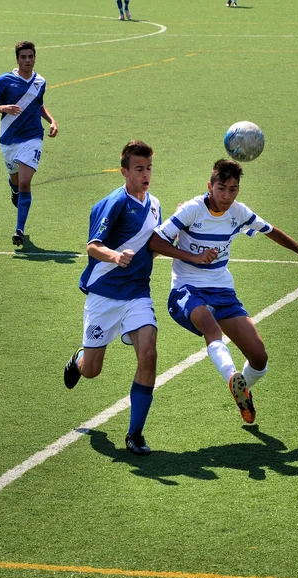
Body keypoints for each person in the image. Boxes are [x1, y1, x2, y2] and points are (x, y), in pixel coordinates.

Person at [148, 158, 298, 425]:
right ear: (209, 186)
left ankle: (242, 389)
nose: (226, 195)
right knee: (211, 329)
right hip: (187, 289)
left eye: (233, 189)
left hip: (222, 290)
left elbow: (271, 231)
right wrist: (193, 256)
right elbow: (155, 241)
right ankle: (232, 376)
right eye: (221, 188)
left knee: (259, 357)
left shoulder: (238, 211)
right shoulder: (191, 210)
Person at [63, 141, 215, 456]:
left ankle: (135, 434)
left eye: (149, 168)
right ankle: (79, 361)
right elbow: (93, 246)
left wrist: (180, 233)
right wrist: (115, 256)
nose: (146, 175)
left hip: (137, 294)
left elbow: (154, 243)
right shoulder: (114, 203)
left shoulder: (155, 203)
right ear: (124, 171)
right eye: (139, 169)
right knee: (93, 370)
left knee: (148, 354)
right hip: (104, 297)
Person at [0, 41, 58, 246]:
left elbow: (39, 105)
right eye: (23, 57)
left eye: (30, 57)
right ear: (17, 59)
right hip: (8, 139)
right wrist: (3, 108)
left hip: (33, 137)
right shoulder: (4, 80)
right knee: (16, 182)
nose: (27, 60)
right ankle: (13, 189)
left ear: (35, 58)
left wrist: (51, 121)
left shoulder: (40, 81)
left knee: (25, 182)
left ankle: (19, 229)